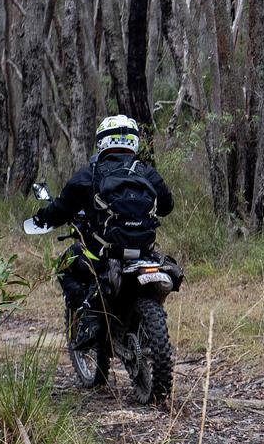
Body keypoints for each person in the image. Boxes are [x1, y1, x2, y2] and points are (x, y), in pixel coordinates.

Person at [33, 114, 173, 347]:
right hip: (143, 253)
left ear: (102, 141)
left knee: (64, 266)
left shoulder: (90, 174)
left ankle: (90, 317)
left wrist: (41, 218)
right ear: (134, 141)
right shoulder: (146, 172)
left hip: (103, 253)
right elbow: (167, 207)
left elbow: (61, 209)